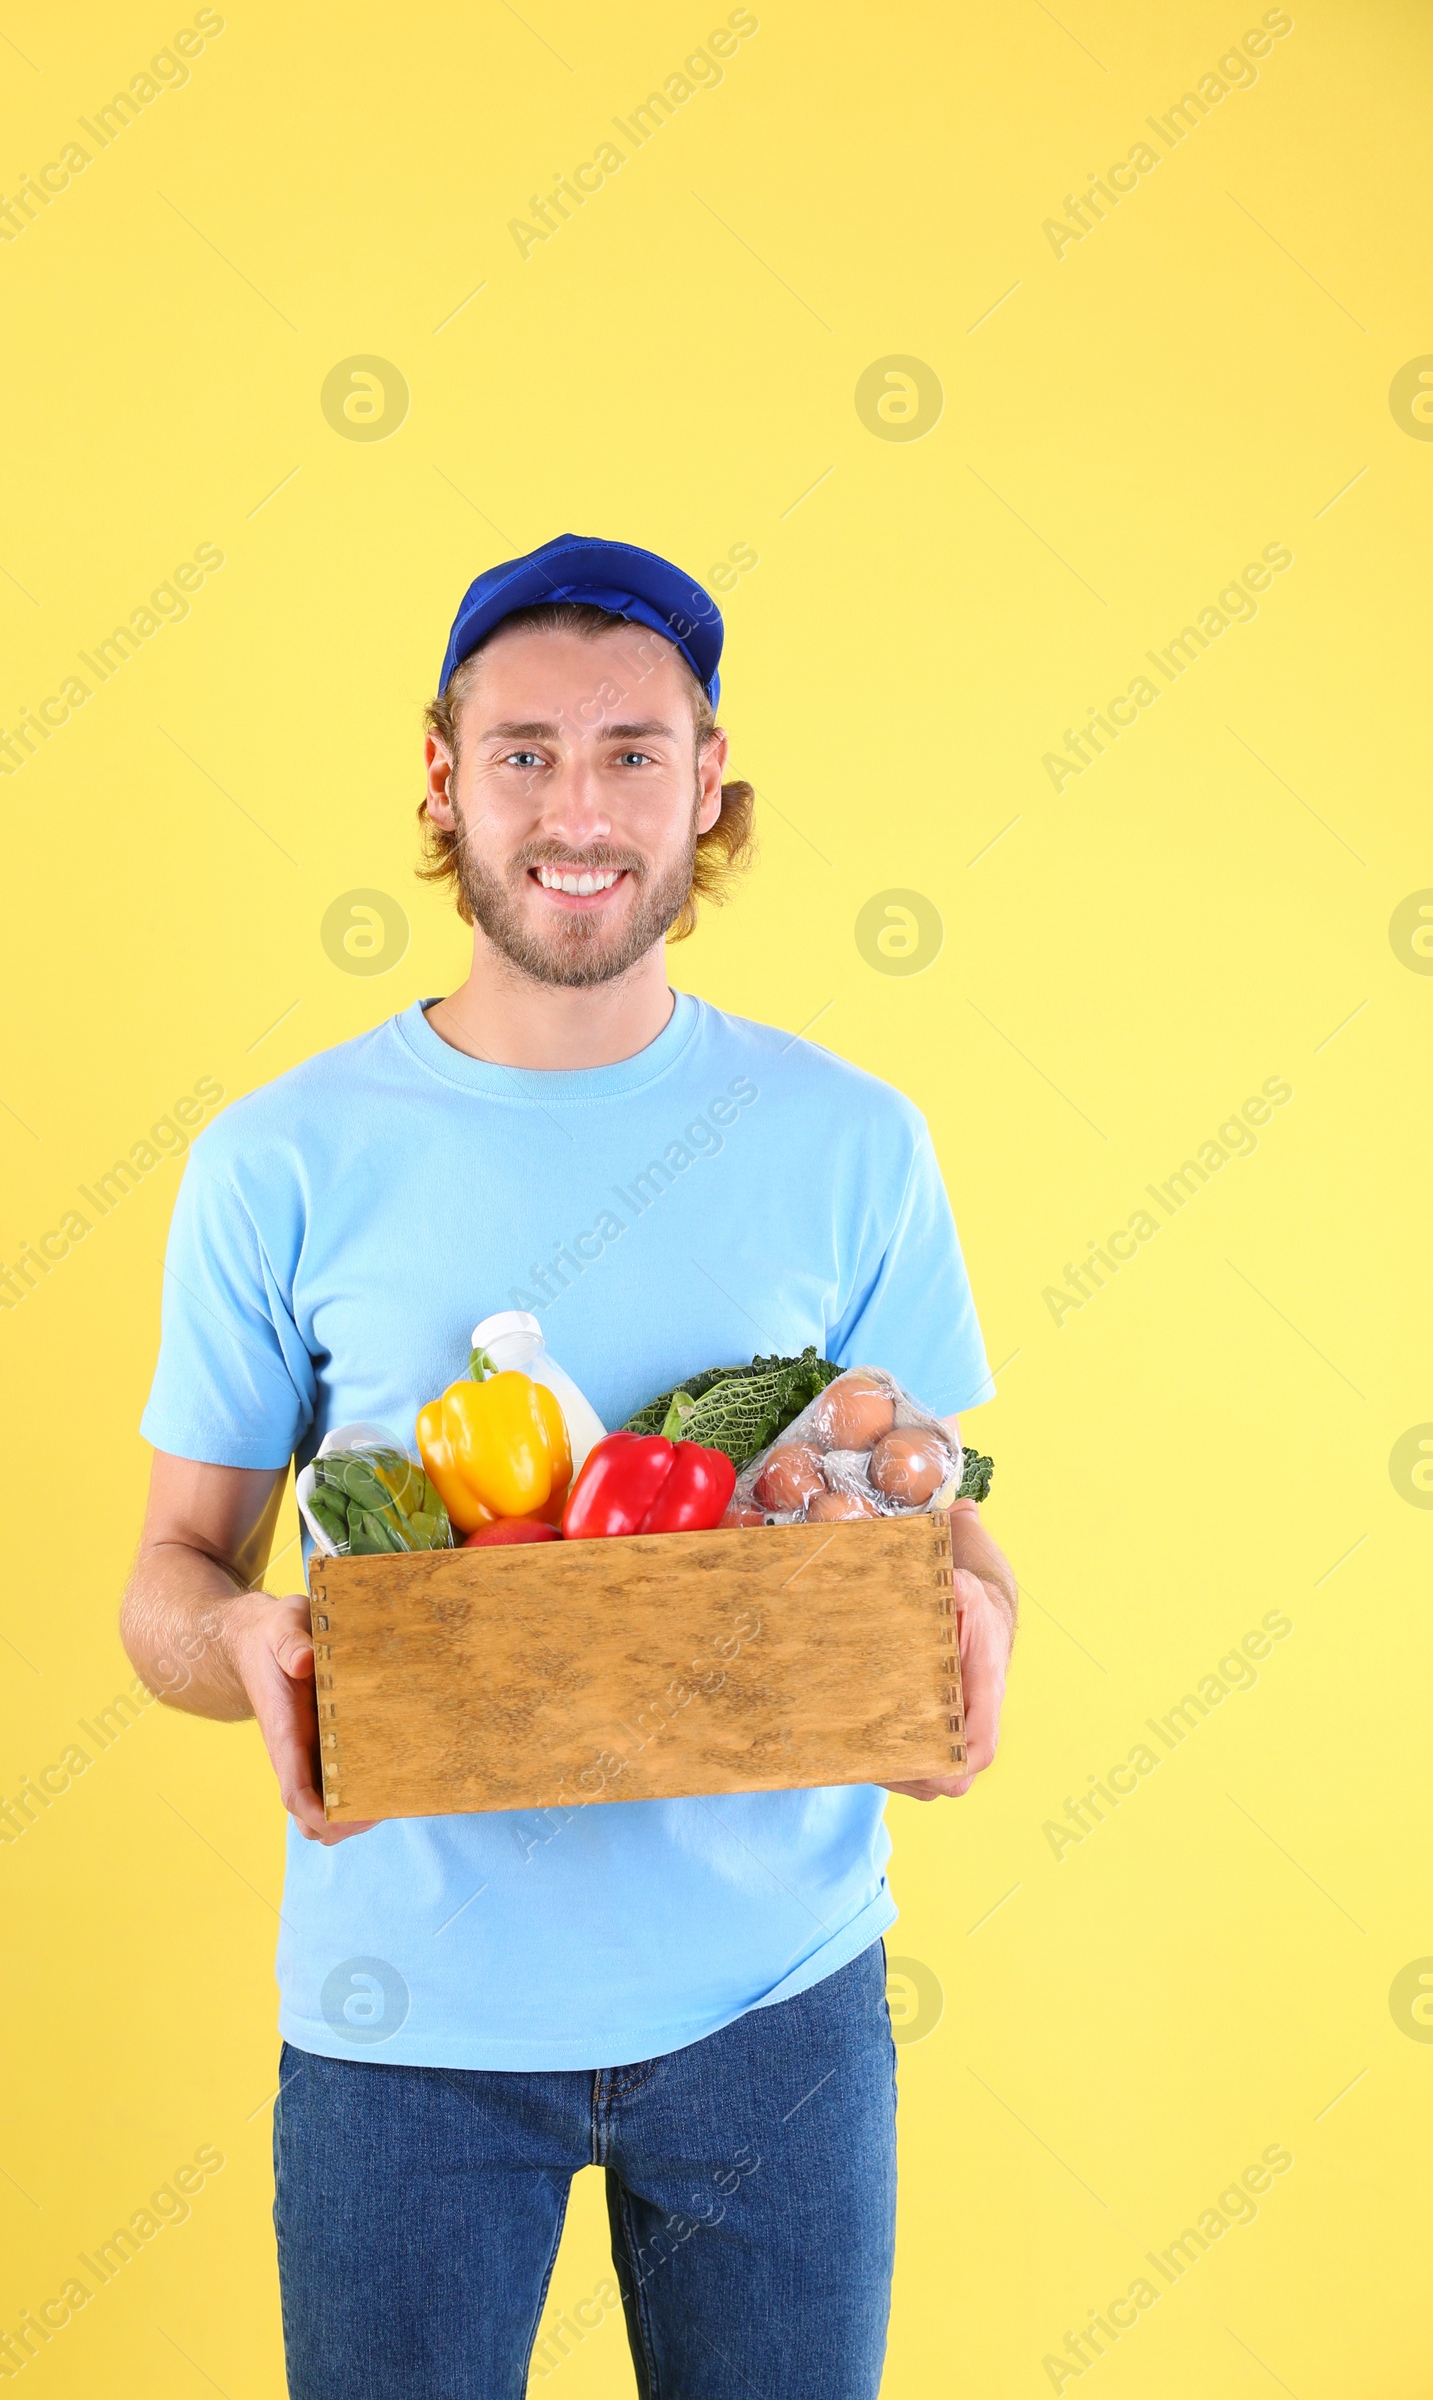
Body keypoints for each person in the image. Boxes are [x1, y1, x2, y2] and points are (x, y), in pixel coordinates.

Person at [121, 532, 1018, 2400]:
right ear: (445, 782)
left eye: (633, 749)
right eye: (524, 751)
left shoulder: (853, 1140)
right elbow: (168, 1583)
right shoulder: (278, 1160)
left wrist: (974, 1638)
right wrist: (255, 1651)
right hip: (403, 2028)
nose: (579, 807)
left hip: (781, 2018)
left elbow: (932, 1517)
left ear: (710, 783)